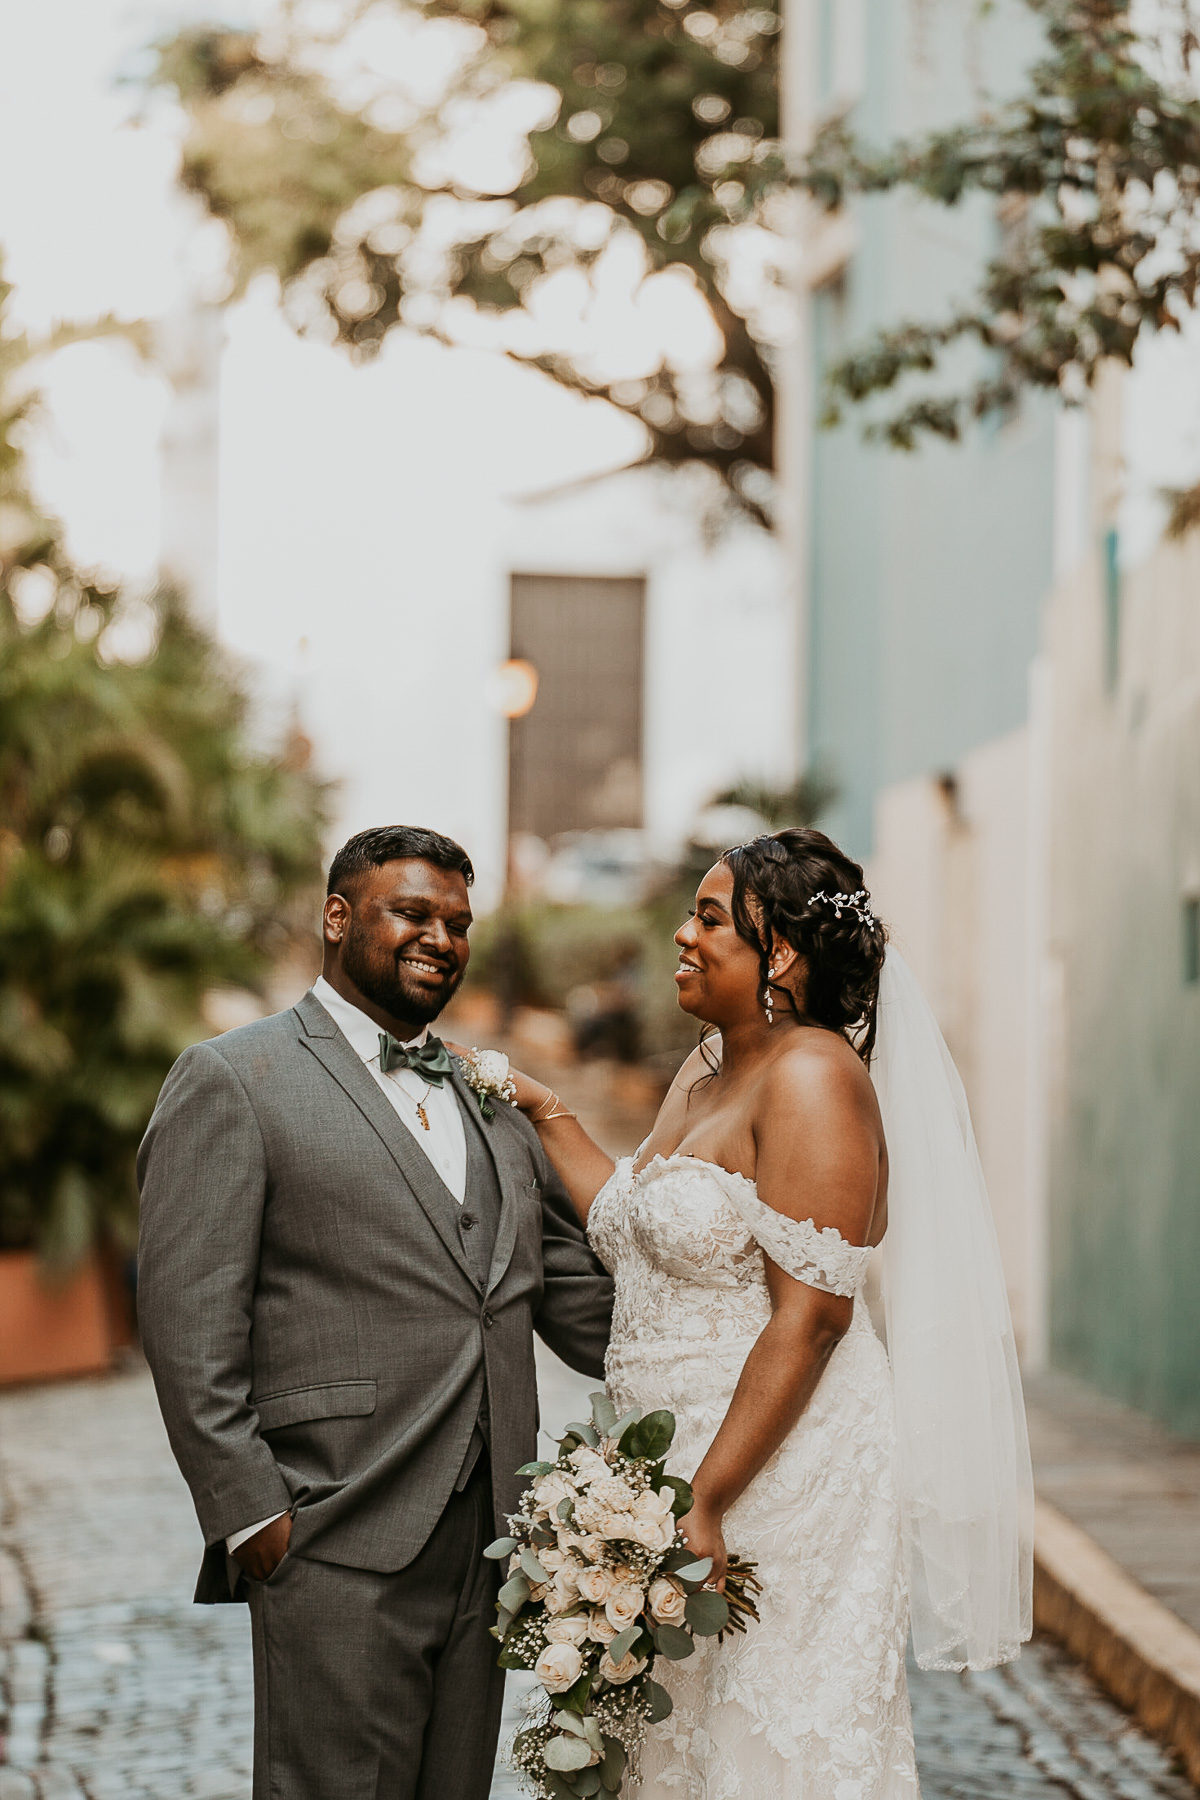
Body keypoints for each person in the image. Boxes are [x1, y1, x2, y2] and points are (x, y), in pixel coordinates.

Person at [499, 827, 1033, 1799]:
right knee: (665, 1748)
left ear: (778, 951)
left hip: (780, 1475)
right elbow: (629, 1218)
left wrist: (706, 1496)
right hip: (661, 1471)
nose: (681, 936)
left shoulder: (816, 1078)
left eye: (709, 919)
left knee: (766, 1743)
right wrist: (545, 1113)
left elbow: (813, 1317)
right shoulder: (708, 1067)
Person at [136, 825, 613, 1800]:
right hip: (335, 1533)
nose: (441, 937)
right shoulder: (235, 1079)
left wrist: (738, 1320)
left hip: (491, 1545)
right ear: (337, 916)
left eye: (458, 922)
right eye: (413, 912)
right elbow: (187, 1318)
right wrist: (254, 1513)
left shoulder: (495, 1102)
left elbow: (576, 1306)